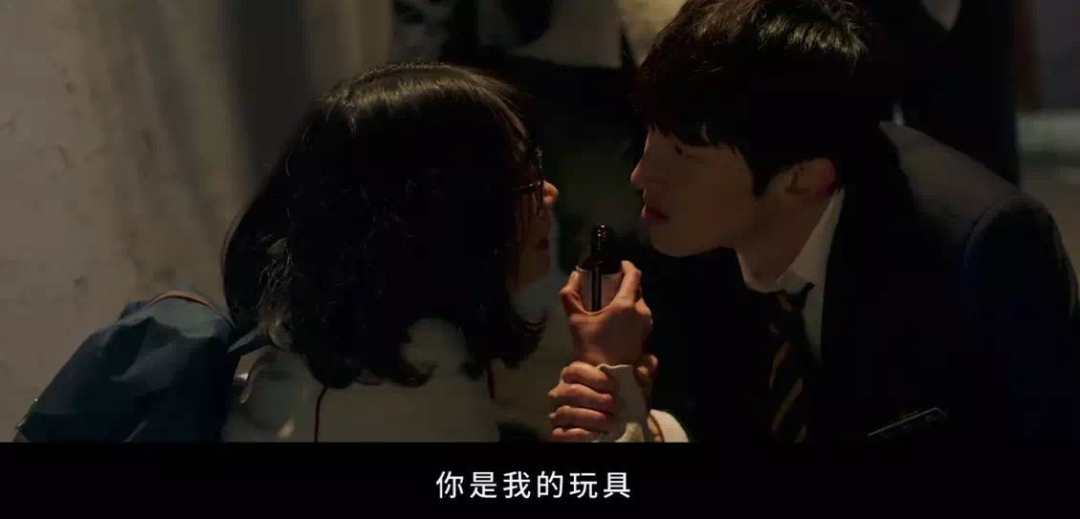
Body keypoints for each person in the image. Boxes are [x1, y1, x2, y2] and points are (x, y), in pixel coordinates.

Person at [548, 0, 1080, 442]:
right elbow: (716, 420)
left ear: (803, 178)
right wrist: (626, 408)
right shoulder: (675, 233)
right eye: (652, 132)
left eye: (684, 152)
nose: (641, 174)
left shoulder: (977, 248)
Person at [220, 62, 560, 441]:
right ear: (444, 218)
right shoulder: (396, 408)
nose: (549, 193)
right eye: (522, 181)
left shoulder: (398, 354)